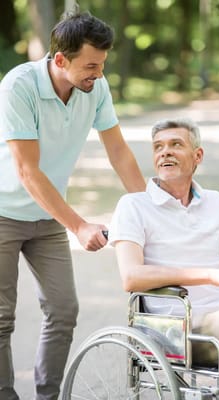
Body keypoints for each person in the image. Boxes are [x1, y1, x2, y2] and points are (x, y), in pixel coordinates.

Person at [0, 9, 145, 400]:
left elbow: (118, 151)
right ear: (60, 59)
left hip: (45, 215)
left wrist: (148, 208)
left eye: (102, 65)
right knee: (0, 319)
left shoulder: (94, 87)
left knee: (64, 313)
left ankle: (48, 397)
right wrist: (79, 225)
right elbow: (28, 172)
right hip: (2, 214)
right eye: (91, 66)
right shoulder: (19, 86)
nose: (98, 74)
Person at [109, 117, 219, 377]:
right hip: (180, 331)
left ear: (198, 156)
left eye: (175, 144)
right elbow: (131, 277)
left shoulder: (216, 202)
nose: (165, 152)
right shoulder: (134, 205)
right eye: (158, 147)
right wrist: (211, 275)